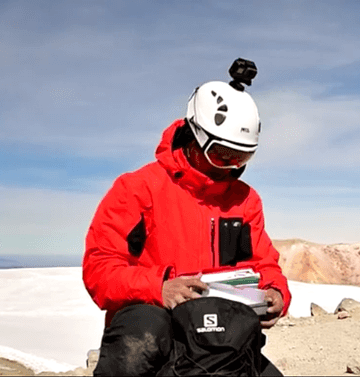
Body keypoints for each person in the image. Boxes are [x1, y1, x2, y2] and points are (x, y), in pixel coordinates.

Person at [82, 59, 290, 376]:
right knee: (143, 330)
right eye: (222, 154)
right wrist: (158, 288)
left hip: (217, 338)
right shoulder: (136, 190)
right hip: (153, 336)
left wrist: (276, 293)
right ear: (195, 137)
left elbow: (263, 264)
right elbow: (99, 269)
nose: (233, 166)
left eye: (243, 156)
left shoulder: (246, 200)